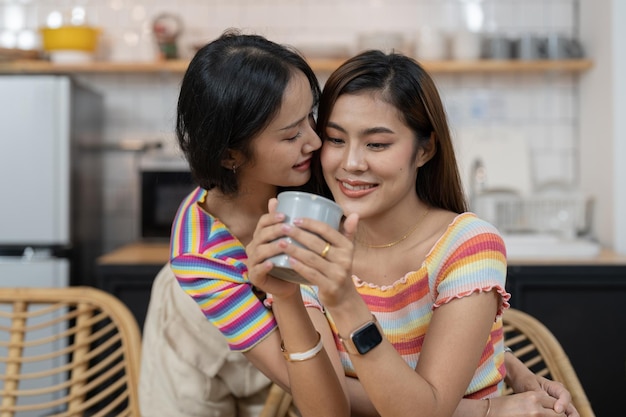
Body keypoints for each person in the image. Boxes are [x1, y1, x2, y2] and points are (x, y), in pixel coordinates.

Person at [138, 29, 579, 417]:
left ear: (424, 150)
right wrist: (481, 409)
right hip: (259, 352)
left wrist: (497, 366)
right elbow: (319, 391)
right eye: (295, 135)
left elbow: (430, 324)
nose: (319, 145)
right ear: (231, 156)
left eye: (314, 121)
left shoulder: (317, 181)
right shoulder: (237, 247)